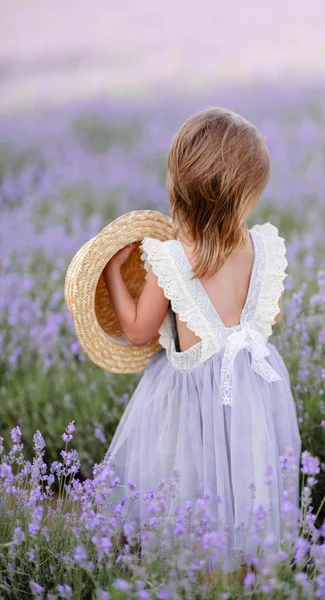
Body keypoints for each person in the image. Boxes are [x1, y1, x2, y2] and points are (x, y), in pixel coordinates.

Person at [102, 107, 301, 570]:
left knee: (188, 481)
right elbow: (273, 316)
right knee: (246, 478)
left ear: (179, 186)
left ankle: (197, 571)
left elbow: (137, 332)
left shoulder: (172, 259)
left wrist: (114, 272)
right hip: (253, 389)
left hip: (189, 398)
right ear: (246, 194)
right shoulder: (264, 247)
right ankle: (248, 568)